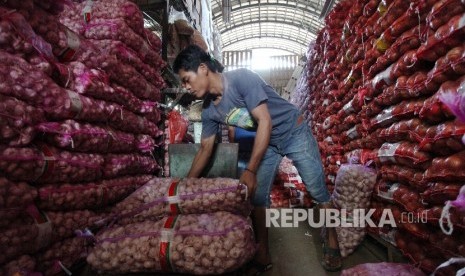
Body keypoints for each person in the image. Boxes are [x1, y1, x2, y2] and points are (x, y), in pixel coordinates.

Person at [173, 45, 342, 274]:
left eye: (186, 79)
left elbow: (264, 121)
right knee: (259, 198)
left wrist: (250, 170)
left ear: (202, 69)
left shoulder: (241, 79)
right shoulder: (209, 111)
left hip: (294, 131)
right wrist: (185, 185)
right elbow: (205, 148)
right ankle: (262, 253)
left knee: (317, 189)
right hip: (269, 142)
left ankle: (332, 238)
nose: (186, 87)